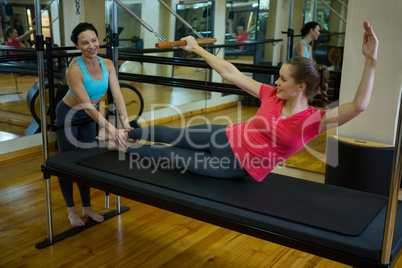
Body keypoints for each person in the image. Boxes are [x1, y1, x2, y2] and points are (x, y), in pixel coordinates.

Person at [99, 21, 377, 182]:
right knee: (170, 134)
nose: (276, 83)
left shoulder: (313, 121)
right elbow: (231, 72)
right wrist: (197, 49)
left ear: (300, 87)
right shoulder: (271, 95)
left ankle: (117, 148)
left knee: (167, 155)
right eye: (277, 78)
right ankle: (122, 134)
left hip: (235, 166)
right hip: (223, 135)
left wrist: (371, 61)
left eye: (282, 79)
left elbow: (358, 106)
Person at [56, 22, 132, 227]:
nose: (91, 46)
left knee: (86, 159)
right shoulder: (73, 70)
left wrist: (125, 122)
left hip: (90, 116)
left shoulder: (107, 63)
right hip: (69, 115)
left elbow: (117, 95)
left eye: (94, 40)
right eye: (84, 43)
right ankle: (71, 210)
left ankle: (87, 207)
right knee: (67, 163)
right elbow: (88, 106)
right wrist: (112, 129)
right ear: (76, 45)